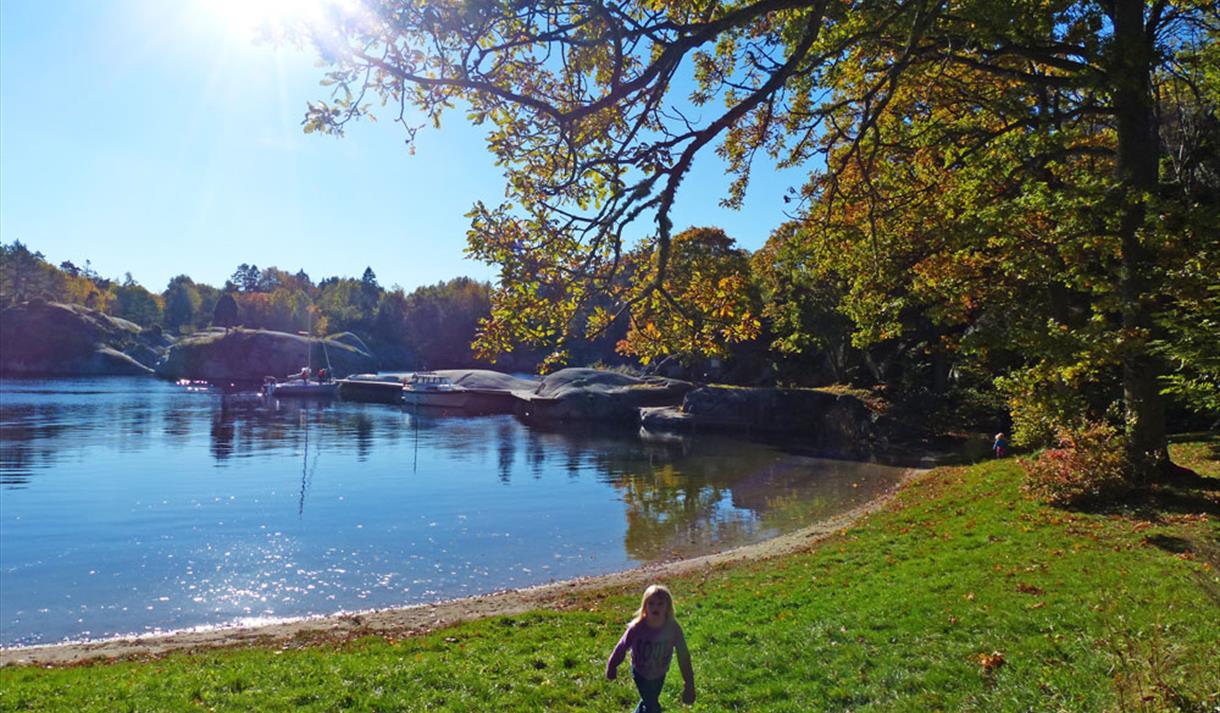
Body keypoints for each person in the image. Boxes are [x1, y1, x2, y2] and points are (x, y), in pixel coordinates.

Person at [606, 584, 696, 712]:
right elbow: (622, 647)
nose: (656, 607)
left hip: (660, 673)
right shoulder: (636, 628)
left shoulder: (673, 629)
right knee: (652, 705)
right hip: (640, 672)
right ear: (645, 607)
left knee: (648, 701)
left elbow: (683, 655)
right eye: (651, 603)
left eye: (660, 604)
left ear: (667, 607)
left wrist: (689, 683)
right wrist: (612, 665)